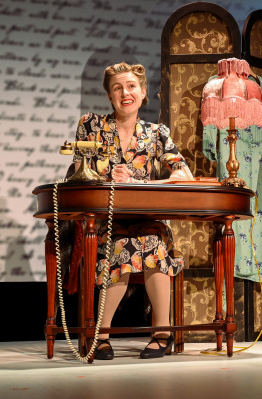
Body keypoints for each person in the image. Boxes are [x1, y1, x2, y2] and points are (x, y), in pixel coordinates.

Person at [73, 62, 194, 360]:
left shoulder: (156, 133)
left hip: (148, 220)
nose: (125, 93)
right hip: (105, 222)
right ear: (110, 95)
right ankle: (100, 335)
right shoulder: (91, 125)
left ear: (143, 93)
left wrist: (151, 178)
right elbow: (77, 172)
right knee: (122, 243)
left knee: (152, 240)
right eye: (117, 88)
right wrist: (107, 176)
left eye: (131, 87)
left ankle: (162, 333)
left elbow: (184, 174)